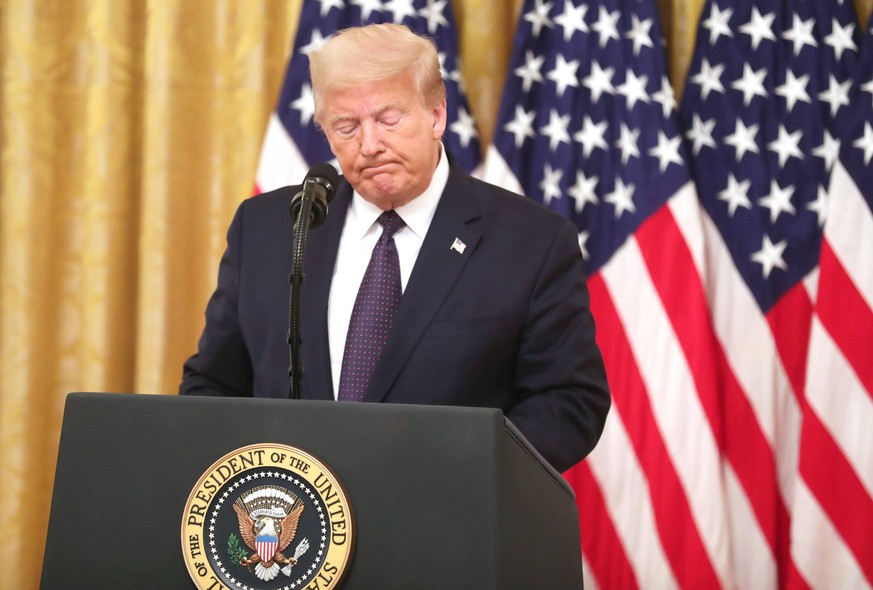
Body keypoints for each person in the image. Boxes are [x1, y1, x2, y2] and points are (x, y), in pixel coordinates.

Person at [180, 23, 610, 473]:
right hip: (294, 529)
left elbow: (569, 403)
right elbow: (213, 385)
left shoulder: (529, 241)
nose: (370, 145)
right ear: (326, 134)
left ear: (436, 115)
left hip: (451, 525)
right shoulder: (272, 228)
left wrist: (461, 472)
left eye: (389, 119)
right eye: (346, 126)